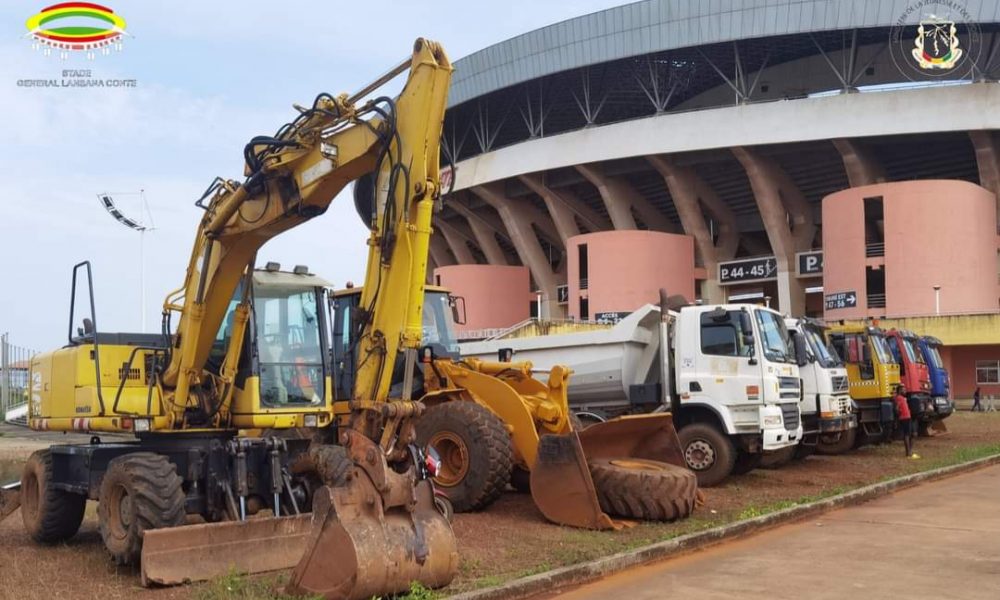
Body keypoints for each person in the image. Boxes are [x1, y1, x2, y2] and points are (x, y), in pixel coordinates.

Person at [894, 384, 918, 459]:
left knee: (913, 434)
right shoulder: (899, 398)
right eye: (903, 390)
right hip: (904, 418)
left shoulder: (903, 398)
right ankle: (908, 453)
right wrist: (899, 413)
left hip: (908, 417)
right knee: (907, 434)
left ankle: (910, 451)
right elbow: (897, 408)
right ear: (899, 390)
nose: (905, 391)